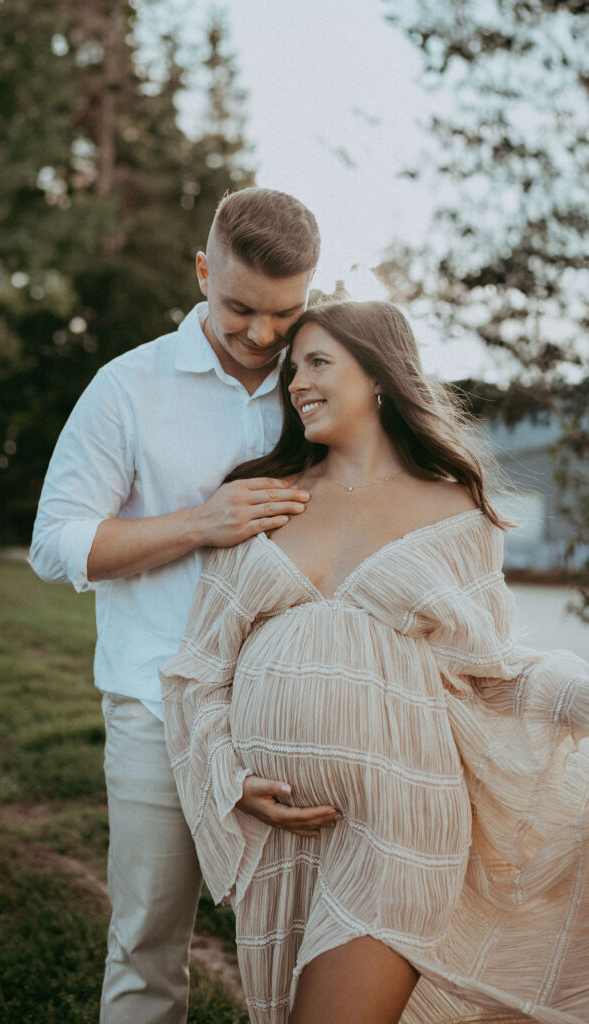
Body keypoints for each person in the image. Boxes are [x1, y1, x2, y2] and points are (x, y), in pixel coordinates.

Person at [160, 300, 589, 1024]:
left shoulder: (456, 512)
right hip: (285, 832)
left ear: (381, 377)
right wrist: (229, 777)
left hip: (402, 824)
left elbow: (494, 667)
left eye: (318, 362)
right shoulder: (267, 497)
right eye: (293, 370)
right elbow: (198, 670)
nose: (296, 382)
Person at [29, 187, 343, 1024]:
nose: (262, 335)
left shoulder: (321, 387)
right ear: (203, 272)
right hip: (156, 707)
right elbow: (55, 542)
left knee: (316, 946)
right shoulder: (126, 389)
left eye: (287, 313)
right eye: (240, 307)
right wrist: (199, 525)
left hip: (301, 712)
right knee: (147, 945)